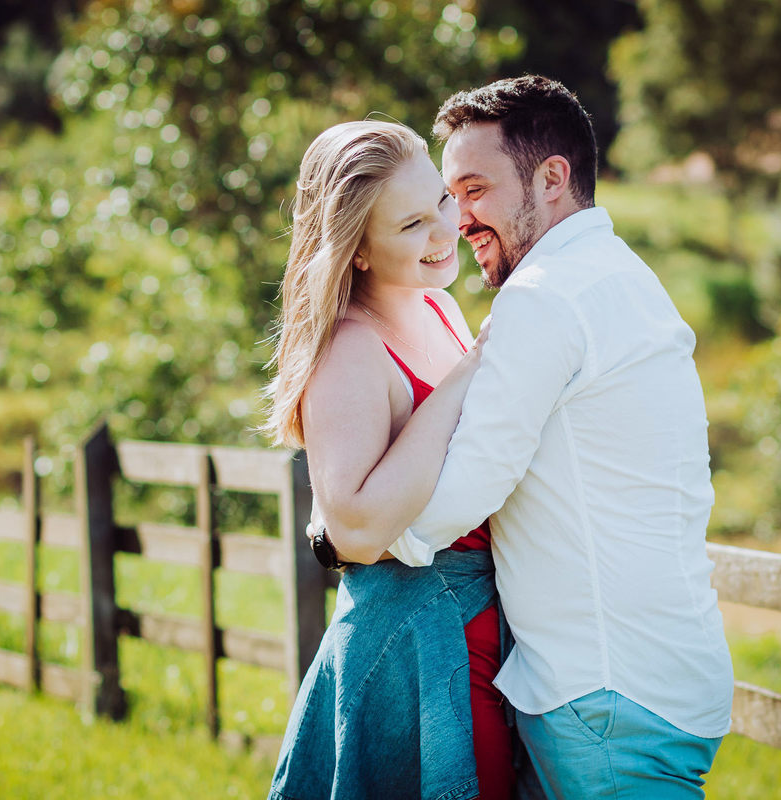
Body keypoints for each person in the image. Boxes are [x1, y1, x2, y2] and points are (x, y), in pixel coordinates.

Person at [345, 76, 736, 798]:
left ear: (552, 177)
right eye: (449, 195)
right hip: (652, 676)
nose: (457, 219)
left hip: (606, 692)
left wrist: (357, 538)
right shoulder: (623, 275)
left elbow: (469, 484)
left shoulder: (545, 294)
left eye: (473, 189)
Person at [264, 120, 514, 800]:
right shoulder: (350, 347)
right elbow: (353, 529)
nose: (445, 229)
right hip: (423, 644)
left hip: (484, 628)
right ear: (360, 252)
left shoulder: (437, 307)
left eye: (440, 199)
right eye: (411, 225)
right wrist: (470, 373)